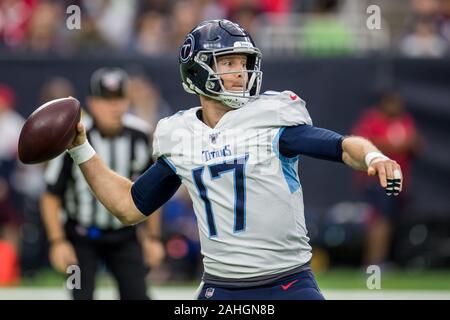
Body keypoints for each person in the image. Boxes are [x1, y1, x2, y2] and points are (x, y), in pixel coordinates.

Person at [65, 20, 403, 300]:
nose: (240, 72)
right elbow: (128, 206)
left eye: (243, 62)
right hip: (220, 289)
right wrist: (81, 148)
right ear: (196, 70)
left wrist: (373, 155)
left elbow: (342, 146)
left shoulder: (271, 116)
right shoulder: (180, 134)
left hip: (287, 283)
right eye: (228, 62)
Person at [40, 67, 164, 300]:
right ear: (92, 103)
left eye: (119, 99)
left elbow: (155, 192)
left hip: (125, 236)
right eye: (106, 100)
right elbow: (51, 195)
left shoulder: (140, 135)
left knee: (138, 295)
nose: (114, 106)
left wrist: (153, 238)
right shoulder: (73, 135)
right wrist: (57, 242)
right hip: (81, 235)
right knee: (81, 295)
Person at [352, 91, 422, 267]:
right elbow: (362, 144)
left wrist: (407, 144)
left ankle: (380, 260)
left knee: (388, 221)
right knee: (379, 220)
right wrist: (397, 145)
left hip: (398, 181)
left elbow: (416, 144)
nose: (395, 107)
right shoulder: (372, 120)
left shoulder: (404, 120)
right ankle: (374, 262)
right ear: (384, 103)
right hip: (377, 179)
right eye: (392, 103)